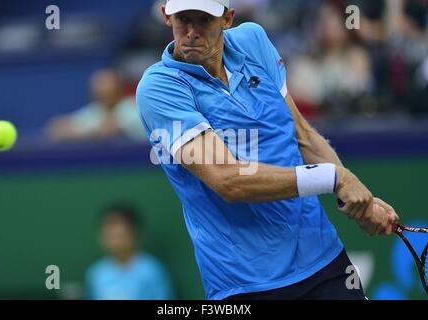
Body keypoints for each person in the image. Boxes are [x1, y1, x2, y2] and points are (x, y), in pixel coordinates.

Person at [136, 0, 399, 300]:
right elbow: (229, 180)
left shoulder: (253, 40)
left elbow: (300, 134)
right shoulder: (159, 87)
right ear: (166, 17)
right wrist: (335, 178)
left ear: (227, 19)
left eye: (204, 20)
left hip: (324, 258)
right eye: (184, 19)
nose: (192, 32)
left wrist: (358, 201)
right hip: (247, 283)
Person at [85, 204, 174, 300]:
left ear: (134, 233)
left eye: (119, 234)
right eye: (110, 234)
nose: (115, 240)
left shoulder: (151, 270)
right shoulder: (96, 273)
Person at [47, 69, 146, 142]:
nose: (101, 90)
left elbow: (112, 129)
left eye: (105, 85)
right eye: (98, 86)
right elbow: (58, 129)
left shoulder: (135, 106)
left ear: (119, 87)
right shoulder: (93, 110)